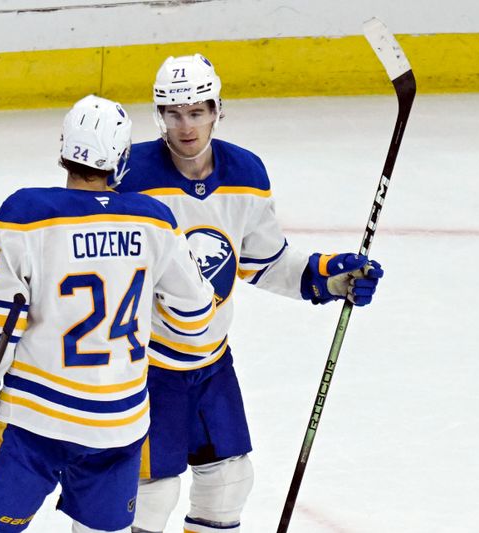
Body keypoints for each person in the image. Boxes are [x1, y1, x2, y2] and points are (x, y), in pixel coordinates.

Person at [114, 54, 384, 533]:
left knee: (229, 482)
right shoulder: (130, 179)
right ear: (159, 116)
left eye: (197, 112)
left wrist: (328, 278)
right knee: (151, 494)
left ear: (219, 110)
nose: (185, 126)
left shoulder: (246, 173)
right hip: (148, 365)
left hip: (212, 360)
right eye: (173, 114)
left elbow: (266, 263)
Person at [0, 94, 216, 533]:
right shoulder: (155, 221)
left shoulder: (26, 216)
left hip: (37, 420)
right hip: (120, 422)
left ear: (64, 148)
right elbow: (195, 313)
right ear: (122, 157)